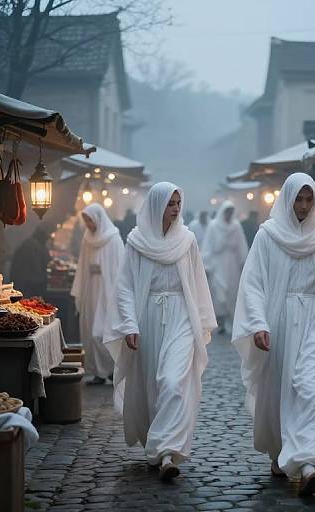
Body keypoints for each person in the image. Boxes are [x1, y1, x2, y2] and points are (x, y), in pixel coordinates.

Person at [232, 173, 315, 497]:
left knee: (312, 386)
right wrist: (258, 323)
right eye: (298, 199)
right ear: (288, 199)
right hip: (279, 321)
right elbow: (254, 284)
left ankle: (308, 464)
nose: (303, 206)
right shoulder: (268, 236)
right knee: (279, 390)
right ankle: (280, 452)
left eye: (308, 200)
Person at [103, 182, 216, 482]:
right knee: (152, 385)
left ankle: (167, 452)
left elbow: (197, 282)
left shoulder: (188, 241)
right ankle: (157, 442)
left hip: (181, 316)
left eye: (178, 203)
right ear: (156, 206)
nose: (176, 209)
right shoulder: (136, 242)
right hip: (148, 317)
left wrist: (203, 321)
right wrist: (129, 324)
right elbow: (125, 286)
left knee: (173, 380)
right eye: (170, 203)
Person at [71, 204, 124, 385]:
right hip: (91, 289)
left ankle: (112, 369)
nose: (88, 224)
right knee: (90, 330)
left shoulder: (114, 238)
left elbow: (120, 268)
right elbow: (82, 265)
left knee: (102, 332)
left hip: (108, 290)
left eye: (90, 220)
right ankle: (98, 372)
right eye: (85, 220)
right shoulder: (87, 239)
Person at [202, 200, 248, 334]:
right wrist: (207, 264)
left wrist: (243, 261)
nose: (228, 214)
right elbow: (208, 246)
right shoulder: (213, 226)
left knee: (232, 291)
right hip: (218, 263)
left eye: (230, 212)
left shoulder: (236, 226)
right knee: (218, 291)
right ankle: (220, 320)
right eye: (227, 211)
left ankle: (232, 320)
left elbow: (241, 245)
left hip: (232, 264)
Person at [10, 224, 54, 298]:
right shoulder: (38, 247)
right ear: (42, 236)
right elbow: (45, 265)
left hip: (20, 284)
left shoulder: (26, 243)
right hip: (30, 286)